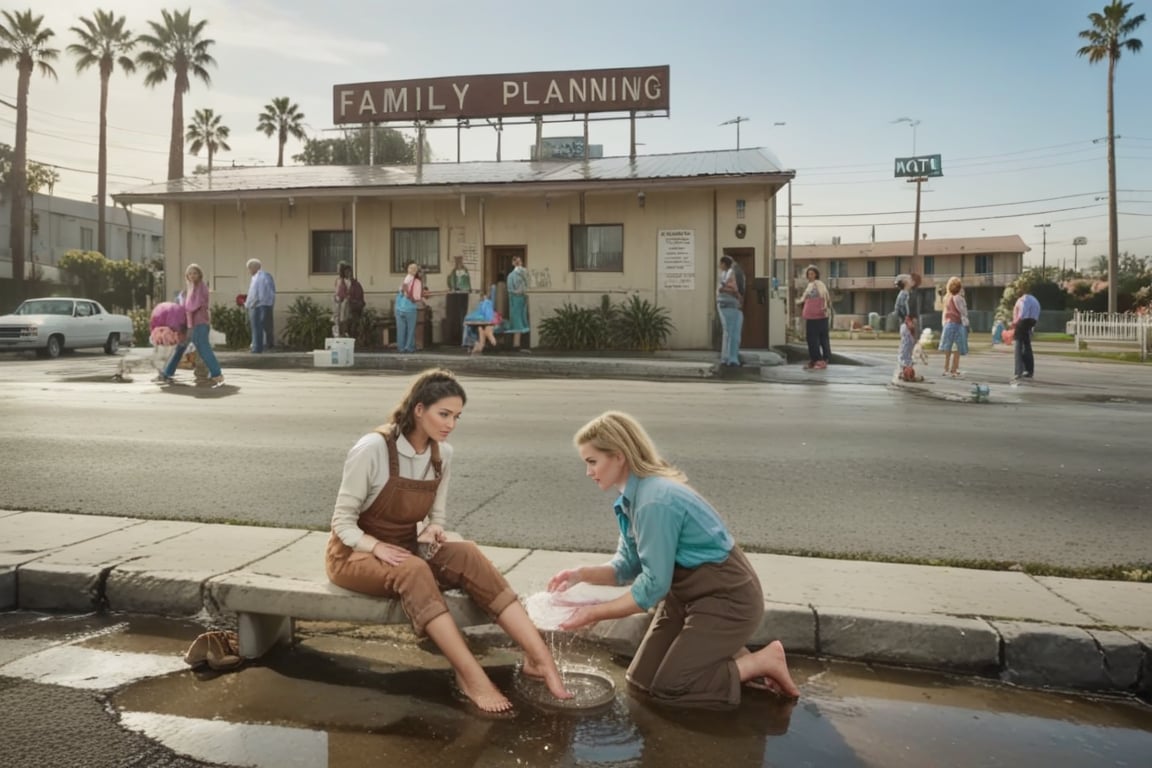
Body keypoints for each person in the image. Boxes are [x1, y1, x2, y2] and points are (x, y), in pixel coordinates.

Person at [325, 368, 571, 713]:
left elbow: (436, 516)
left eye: (457, 416)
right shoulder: (373, 448)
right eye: (444, 414)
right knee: (413, 570)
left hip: (406, 548)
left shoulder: (443, 455)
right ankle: (472, 677)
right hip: (352, 555)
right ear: (419, 409)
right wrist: (377, 547)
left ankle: (540, 659)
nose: (451, 424)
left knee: (466, 554)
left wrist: (433, 530)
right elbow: (341, 522)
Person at [547, 411, 801, 710]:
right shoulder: (632, 497)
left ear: (618, 456)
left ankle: (762, 661)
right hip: (686, 598)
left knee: (672, 688)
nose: (589, 472)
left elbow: (653, 587)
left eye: (592, 462)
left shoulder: (655, 500)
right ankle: (728, 654)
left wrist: (594, 613)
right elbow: (628, 565)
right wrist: (580, 574)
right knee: (641, 681)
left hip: (727, 598)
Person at [160, 264, 224, 388]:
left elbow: (192, 306)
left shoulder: (201, 287)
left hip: (199, 324)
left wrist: (182, 308)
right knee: (180, 348)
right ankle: (167, 372)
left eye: (195, 273)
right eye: (190, 274)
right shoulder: (190, 288)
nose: (192, 275)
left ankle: (217, 374)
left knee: (204, 349)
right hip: (189, 325)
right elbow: (184, 305)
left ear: (199, 274)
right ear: (187, 276)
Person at [798, 265, 831, 370]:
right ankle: (814, 359)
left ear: (816, 274)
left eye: (812, 273)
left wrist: (825, 307)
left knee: (820, 339)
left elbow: (825, 296)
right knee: (811, 339)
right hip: (811, 316)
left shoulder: (819, 284)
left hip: (819, 316)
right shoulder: (810, 285)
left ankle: (821, 360)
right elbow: (803, 299)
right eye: (808, 274)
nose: (810, 276)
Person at [938, 277, 970, 378]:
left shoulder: (947, 298)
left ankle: (946, 369)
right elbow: (964, 312)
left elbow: (944, 313)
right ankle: (954, 369)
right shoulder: (959, 298)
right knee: (957, 348)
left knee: (948, 347)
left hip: (948, 324)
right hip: (957, 324)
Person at [716, 255, 744, 367]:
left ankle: (727, 357)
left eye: (720, 263)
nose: (719, 265)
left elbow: (723, 288)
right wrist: (737, 295)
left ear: (723, 264)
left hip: (725, 303)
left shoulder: (726, 273)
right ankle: (731, 358)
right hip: (730, 304)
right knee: (733, 333)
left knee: (728, 332)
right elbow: (732, 289)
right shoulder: (730, 273)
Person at [245, 258, 276, 353]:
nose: (249, 271)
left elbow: (260, 293)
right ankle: (259, 346)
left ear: (253, 267)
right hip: (258, 305)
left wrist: (253, 303)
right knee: (261, 326)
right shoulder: (257, 277)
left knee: (258, 326)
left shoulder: (262, 277)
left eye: (249, 268)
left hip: (259, 305)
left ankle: (257, 348)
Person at [1011, 287, 1041, 382]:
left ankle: (1018, 371)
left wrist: (1015, 322)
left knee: (1018, 345)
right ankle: (1029, 370)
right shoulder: (1034, 299)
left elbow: (1022, 313)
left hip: (1024, 320)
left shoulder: (1022, 299)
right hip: (1033, 320)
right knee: (1027, 345)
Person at [394, 261, 423, 353]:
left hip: (402, 307)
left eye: (415, 268)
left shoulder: (410, 280)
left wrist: (406, 292)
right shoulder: (413, 281)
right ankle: (406, 347)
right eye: (412, 268)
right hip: (406, 308)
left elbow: (402, 292)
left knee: (404, 329)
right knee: (408, 329)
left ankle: (404, 347)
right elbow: (416, 297)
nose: (413, 269)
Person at [504, 255, 530, 351]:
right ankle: (516, 344)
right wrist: (517, 292)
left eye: (520, 261)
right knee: (517, 321)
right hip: (515, 299)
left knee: (523, 320)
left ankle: (520, 344)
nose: (518, 263)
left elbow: (527, 284)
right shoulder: (511, 276)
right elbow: (510, 289)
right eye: (516, 262)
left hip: (523, 299)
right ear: (513, 263)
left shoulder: (524, 273)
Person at [445, 255, 472, 347]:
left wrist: (467, 289)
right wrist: (452, 287)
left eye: (459, 260)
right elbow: (450, 282)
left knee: (462, 316)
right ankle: (454, 339)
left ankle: (462, 338)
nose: (458, 262)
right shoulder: (453, 272)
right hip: (454, 296)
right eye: (457, 261)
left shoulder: (465, 271)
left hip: (463, 295)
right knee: (454, 317)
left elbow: (468, 283)